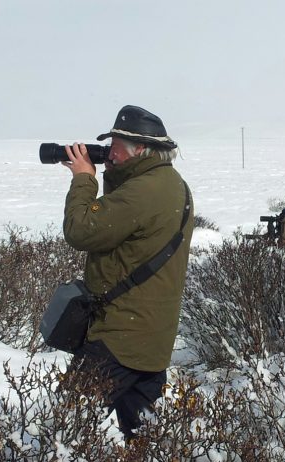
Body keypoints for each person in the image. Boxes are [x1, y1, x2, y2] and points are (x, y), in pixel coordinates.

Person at [60, 105, 194, 439]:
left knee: (66, 429)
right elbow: (122, 225)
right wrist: (110, 172)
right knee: (144, 442)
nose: (110, 153)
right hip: (151, 339)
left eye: (116, 145)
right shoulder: (169, 183)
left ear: (140, 149)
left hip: (119, 338)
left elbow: (81, 229)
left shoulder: (144, 191)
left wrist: (83, 179)